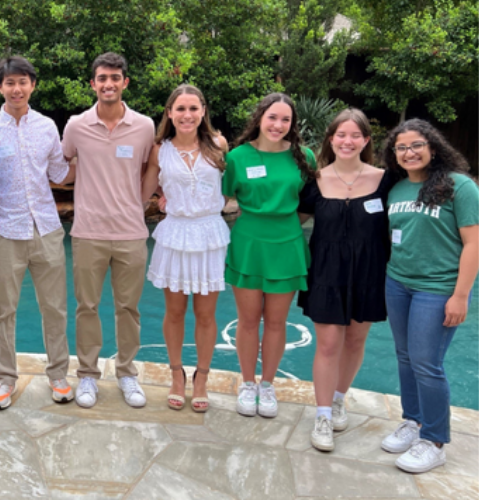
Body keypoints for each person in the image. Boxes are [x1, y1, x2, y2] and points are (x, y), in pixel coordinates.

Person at [379, 119, 477, 473]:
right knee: (405, 357)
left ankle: (435, 440)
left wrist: (461, 295)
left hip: (437, 288)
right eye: (401, 147)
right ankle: (413, 421)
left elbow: (473, 243)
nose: (409, 152)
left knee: (426, 363)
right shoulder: (397, 189)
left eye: (416, 144)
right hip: (398, 283)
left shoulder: (459, 186)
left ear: (433, 147)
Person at [0, 56, 76, 409]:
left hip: (47, 228)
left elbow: (60, 174)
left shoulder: (48, 126)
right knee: (4, 310)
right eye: (9, 82)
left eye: (22, 81)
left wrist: (87, 154)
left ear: (33, 84)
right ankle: (5, 378)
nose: (16, 88)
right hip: (4, 230)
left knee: (55, 308)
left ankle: (59, 375)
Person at [62, 52, 156, 409]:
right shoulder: (76, 126)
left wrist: (139, 203)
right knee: (87, 306)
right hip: (88, 232)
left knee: (128, 308)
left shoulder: (145, 126)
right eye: (102, 78)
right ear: (93, 84)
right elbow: (65, 164)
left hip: (132, 233)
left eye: (115, 78)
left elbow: (151, 166)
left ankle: (127, 373)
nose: (108, 84)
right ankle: (87, 374)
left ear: (125, 82)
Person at [297, 109, 394, 451]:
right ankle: (322, 415)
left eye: (355, 135)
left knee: (354, 341)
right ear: (330, 139)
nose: (347, 141)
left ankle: (339, 399)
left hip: (370, 273)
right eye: (341, 135)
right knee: (327, 345)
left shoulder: (386, 181)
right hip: (325, 273)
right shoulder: (315, 180)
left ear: (366, 140)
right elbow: (290, 222)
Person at [221, 93, 316, 418]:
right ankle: (247, 383)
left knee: (277, 322)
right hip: (248, 244)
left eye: (285, 119)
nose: (278, 125)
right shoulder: (237, 157)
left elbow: (308, 204)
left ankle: (267, 384)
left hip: (287, 246)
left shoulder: (305, 157)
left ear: (292, 124)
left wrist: (285, 226)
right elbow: (220, 198)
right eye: (272, 117)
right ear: (260, 118)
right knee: (248, 321)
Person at [141, 84, 229, 412]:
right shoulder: (159, 149)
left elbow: (233, 185)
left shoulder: (219, 145)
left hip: (209, 235)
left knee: (206, 315)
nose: (187, 115)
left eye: (193, 108)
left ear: (203, 111)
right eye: (180, 108)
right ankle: (177, 374)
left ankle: (202, 377)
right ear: (169, 113)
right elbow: (145, 191)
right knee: (175, 312)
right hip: (175, 234)